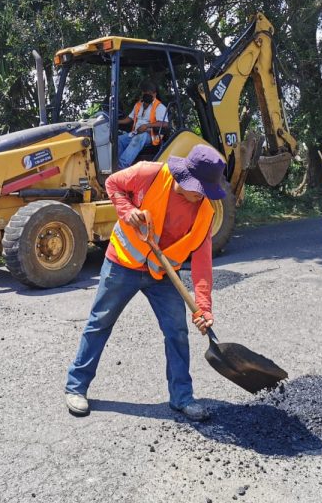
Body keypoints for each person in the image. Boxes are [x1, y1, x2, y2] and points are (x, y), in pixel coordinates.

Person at [64, 144, 224, 422]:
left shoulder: (206, 212)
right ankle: (76, 387)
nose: (200, 196)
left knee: (177, 332)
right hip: (122, 264)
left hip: (162, 275)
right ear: (184, 175)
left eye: (205, 191)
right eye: (197, 188)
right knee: (99, 323)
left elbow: (202, 263)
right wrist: (127, 211)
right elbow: (113, 183)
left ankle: (182, 397)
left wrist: (204, 308)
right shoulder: (149, 174)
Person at [117, 79, 169, 169]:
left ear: (154, 94)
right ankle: (115, 164)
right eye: (146, 92)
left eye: (150, 93)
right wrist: (117, 122)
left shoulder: (159, 107)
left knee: (139, 138)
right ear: (142, 93)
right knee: (118, 140)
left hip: (151, 135)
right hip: (136, 132)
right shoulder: (138, 105)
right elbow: (130, 118)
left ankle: (121, 167)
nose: (148, 95)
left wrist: (147, 126)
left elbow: (165, 124)